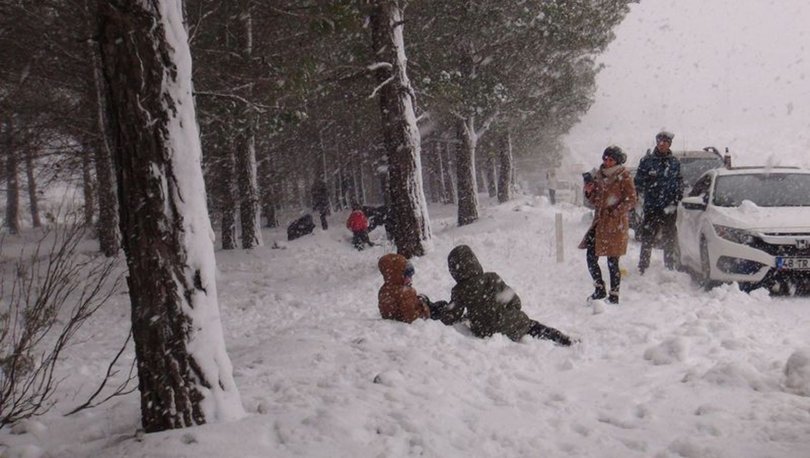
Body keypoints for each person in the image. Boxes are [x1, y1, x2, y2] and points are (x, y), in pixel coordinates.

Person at [446, 244, 573, 346]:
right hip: (508, 321)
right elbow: (515, 301)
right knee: (532, 326)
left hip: (484, 330)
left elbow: (452, 315)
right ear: (475, 262)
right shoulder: (491, 278)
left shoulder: (459, 291)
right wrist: (508, 314)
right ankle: (559, 337)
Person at [579, 146, 637, 304]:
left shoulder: (623, 176)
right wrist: (589, 191)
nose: (607, 162)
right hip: (599, 223)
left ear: (617, 160)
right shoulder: (598, 175)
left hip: (615, 225)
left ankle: (614, 294)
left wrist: (616, 211)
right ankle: (599, 288)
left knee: (613, 260)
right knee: (591, 257)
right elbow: (595, 200)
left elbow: (631, 199)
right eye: (605, 158)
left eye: (611, 159)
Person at [634, 130, 684, 274]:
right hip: (652, 206)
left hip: (669, 207)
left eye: (665, 142)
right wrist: (648, 188)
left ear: (669, 144)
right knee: (648, 235)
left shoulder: (674, 162)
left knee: (669, 237)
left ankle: (669, 266)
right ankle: (643, 266)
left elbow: (679, 181)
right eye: (660, 142)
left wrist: (677, 197)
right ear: (657, 143)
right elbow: (638, 181)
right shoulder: (647, 161)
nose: (662, 144)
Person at [377, 253, 449, 323]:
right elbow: (411, 316)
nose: (410, 279)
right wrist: (424, 307)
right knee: (441, 306)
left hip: (400, 314)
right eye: (407, 276)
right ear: (397, 276)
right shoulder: (405, 292)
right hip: (421, 317)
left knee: (424, 298)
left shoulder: (384, 290)